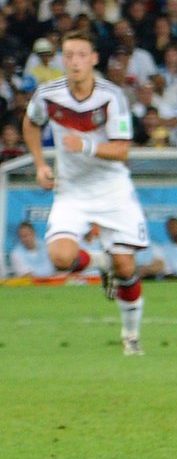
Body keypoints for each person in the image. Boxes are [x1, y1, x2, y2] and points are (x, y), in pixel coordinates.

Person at [24, 32, 148, 354]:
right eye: (69, 55)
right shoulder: (48, 94)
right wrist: (39, 163)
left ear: (93, 59)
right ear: (63, 60)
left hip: (112, 189)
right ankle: (100, 262)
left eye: (81, 54)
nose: (75, 61)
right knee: (60, 258)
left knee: (126, 267)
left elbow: (122, 150)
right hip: (72, 191)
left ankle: (131, 338)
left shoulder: (112, 96)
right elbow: (30, 123)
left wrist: (86, 145)